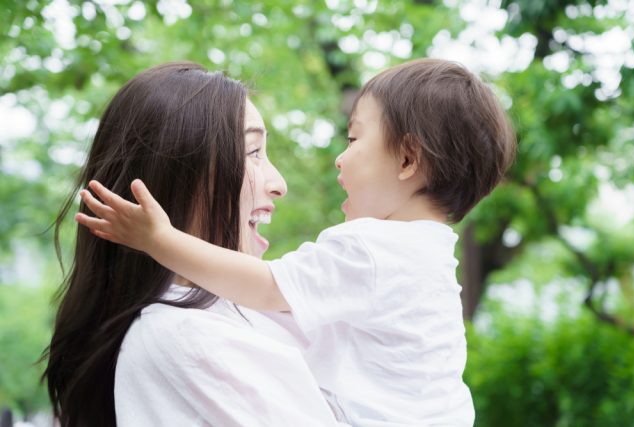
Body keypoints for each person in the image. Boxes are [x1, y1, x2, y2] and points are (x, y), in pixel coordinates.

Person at [78, 58, 517, 426]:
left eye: (354, 139)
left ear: (407, 158)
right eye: (254, 152)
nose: (339, 158)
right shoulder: (429, 256)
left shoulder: (371, 249)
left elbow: (267, 285)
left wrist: (161, 239)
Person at [43, 62, 346, 427]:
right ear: (179, 178)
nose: (278, 183)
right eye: (253, 152)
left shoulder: (222, 319)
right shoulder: (187, 335)